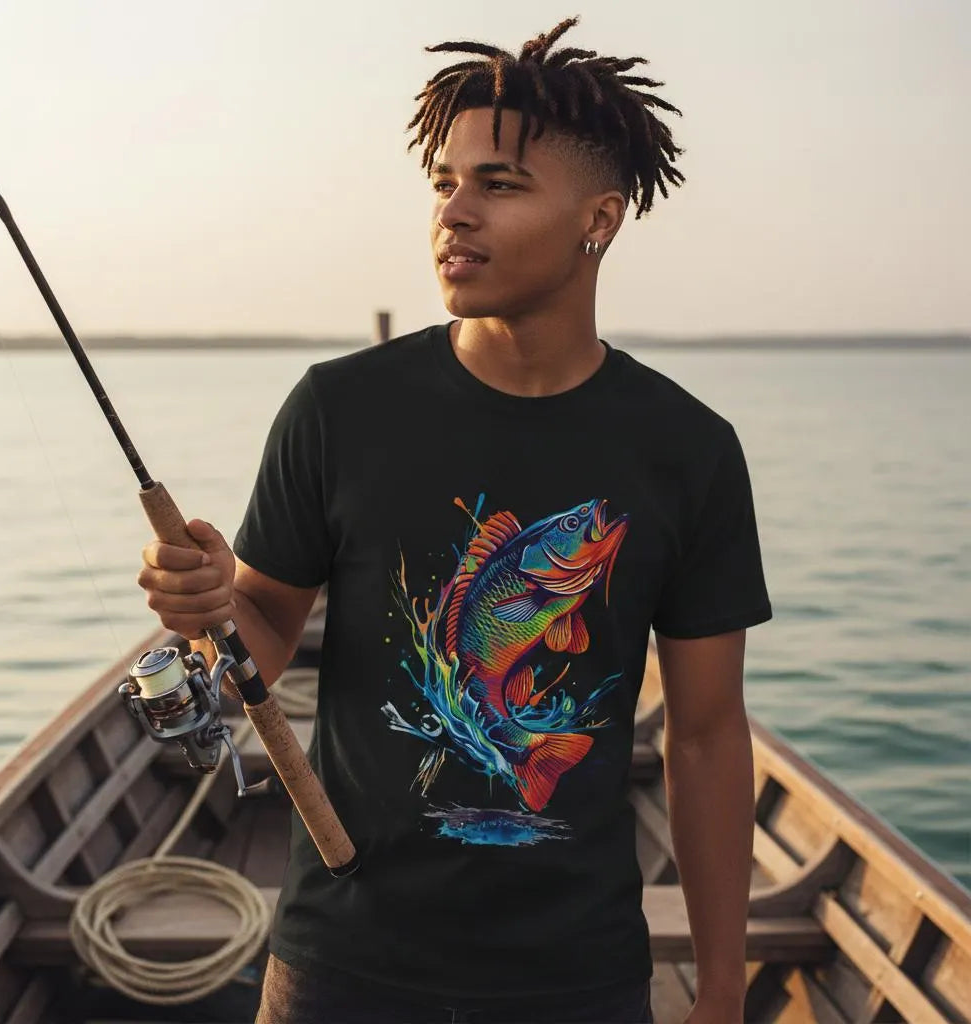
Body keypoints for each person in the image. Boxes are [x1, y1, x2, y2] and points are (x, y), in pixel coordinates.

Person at [138, 16, 772, 1024]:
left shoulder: (687, 449)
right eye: (443, 183)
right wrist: (206, 605)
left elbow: (702, 735)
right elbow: (258, 625)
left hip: (579, 978)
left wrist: (725, 990)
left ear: (597, 221)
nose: (453, 213)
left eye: (499, 185)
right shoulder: (335, 408)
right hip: (339, 965)